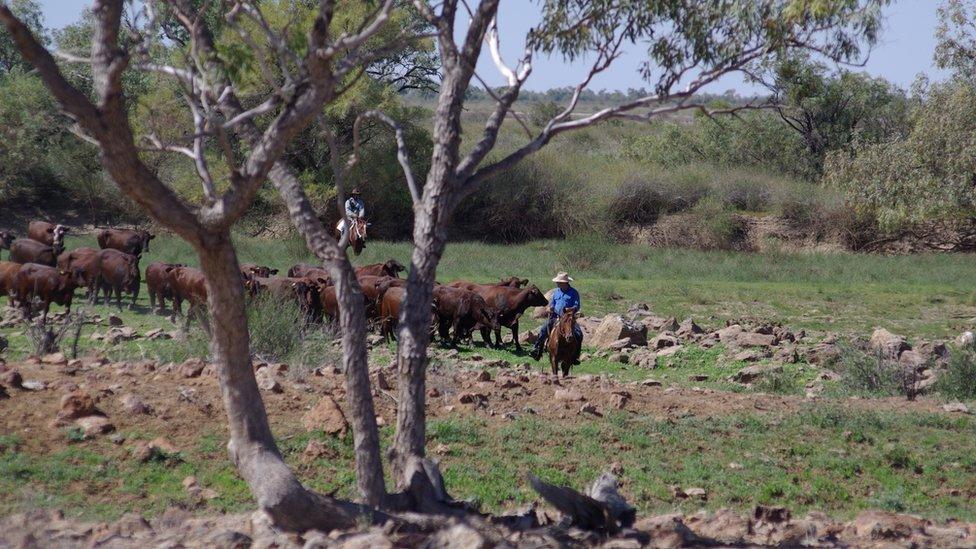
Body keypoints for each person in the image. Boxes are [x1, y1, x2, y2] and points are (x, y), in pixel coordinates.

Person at [530, 271, 583, 363]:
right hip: (556, 317)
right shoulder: (556, 292)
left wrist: (569, 310)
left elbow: (577, 306)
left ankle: (575, 356)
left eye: (559, 282)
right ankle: (537, 349)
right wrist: (550, 308)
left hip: (568, 318)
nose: (557, 283)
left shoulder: (574, 292)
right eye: (557, 282)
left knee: (579, 334)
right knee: (543, 329)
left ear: (565, 282)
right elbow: (552, 304)